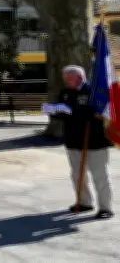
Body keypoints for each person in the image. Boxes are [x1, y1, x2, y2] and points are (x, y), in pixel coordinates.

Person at [56, 65, 114, 219]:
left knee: (99, 175)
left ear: (80, 78)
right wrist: (56, 110)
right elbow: (61, 110)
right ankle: (84, 202)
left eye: (70, 79)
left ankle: (105, 208)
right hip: (73, 140)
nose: (67, 82)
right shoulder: (66, 92)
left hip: (95, 141)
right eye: (66, 79)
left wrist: (87, 114)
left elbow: (105, 111)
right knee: (77, 174)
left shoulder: (94, 91)